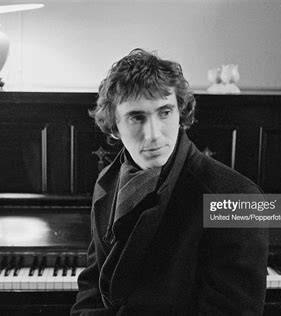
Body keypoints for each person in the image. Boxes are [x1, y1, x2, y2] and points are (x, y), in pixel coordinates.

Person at [70, 49, 268, 316]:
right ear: (114, 126)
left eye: (164, 112)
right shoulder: (107, 179)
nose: (153, 135)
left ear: (180, 113)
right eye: (137, 117)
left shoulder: (238, 198)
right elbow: (92, 284)